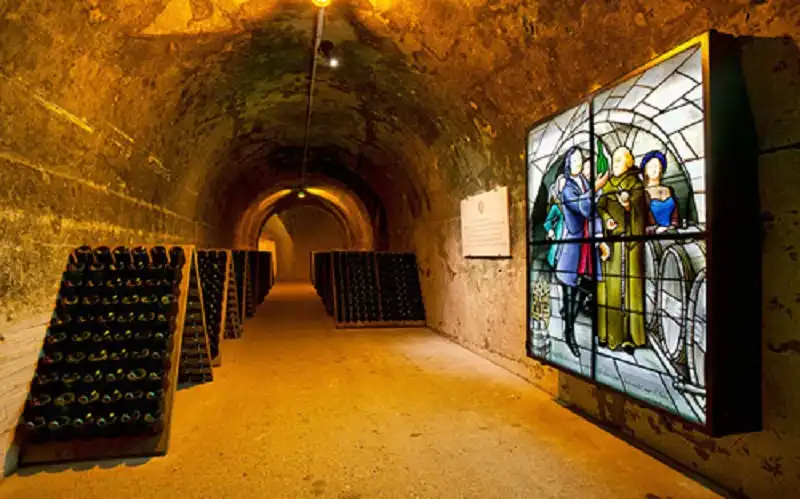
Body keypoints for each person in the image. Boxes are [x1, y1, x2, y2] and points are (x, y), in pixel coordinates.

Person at [555, 147, 609, 357]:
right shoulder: (568, 189)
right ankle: (569, 335)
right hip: (573, 250)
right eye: (574, 159)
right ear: (568, 164)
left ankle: (570, 328)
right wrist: (596, 188)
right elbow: (583, 208)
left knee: (579, 294)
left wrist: (600, 237)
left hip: (587, 247)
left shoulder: (584, 184)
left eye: (580, 159)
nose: (578, 162)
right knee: (570, 294)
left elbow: (594, 213)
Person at [596, 146, 647, 353]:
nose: (615, 164)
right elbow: (600, 206)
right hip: (612, 243)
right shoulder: (608, 184)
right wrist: (607, 219)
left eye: (619, 160)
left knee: (629, 289)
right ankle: (610, 335)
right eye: (613, 160)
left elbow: (640, 211)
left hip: (630, 244)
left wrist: (627, 206)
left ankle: (629, 337)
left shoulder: (636, 184)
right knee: (612, 289)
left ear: (628, 163)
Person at [641, 151, 679, 234]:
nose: (654, 170)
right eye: (650, 167)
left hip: (672, 233)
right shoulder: (642, 194)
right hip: (654, 237)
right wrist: (656, 229)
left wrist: (673, 225)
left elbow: (675, 217)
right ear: (645, 170)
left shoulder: (669, 190)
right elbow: (641, 224)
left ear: (661, 169)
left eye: (657, 166)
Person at [543, 174, 566, 268]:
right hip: (559, 234)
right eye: (561, 184)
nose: (563, 187)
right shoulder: (556, 206)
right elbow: (547, 222)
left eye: (565, 185)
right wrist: (550, 230)